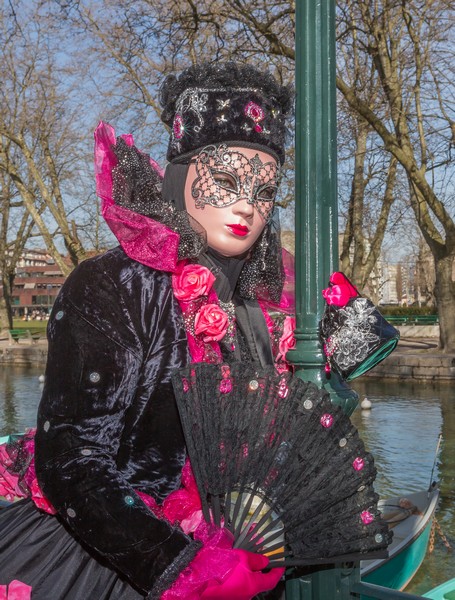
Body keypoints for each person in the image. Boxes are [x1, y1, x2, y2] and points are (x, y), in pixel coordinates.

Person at [0, 62, 294, 599]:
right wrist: (178, 566)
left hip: (232, 560)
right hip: (99, 557)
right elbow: (74, 461)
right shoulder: (111, 286)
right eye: (227, 180)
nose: (248, 204)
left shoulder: (256, 312)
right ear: (181, 177)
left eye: (266, 190)